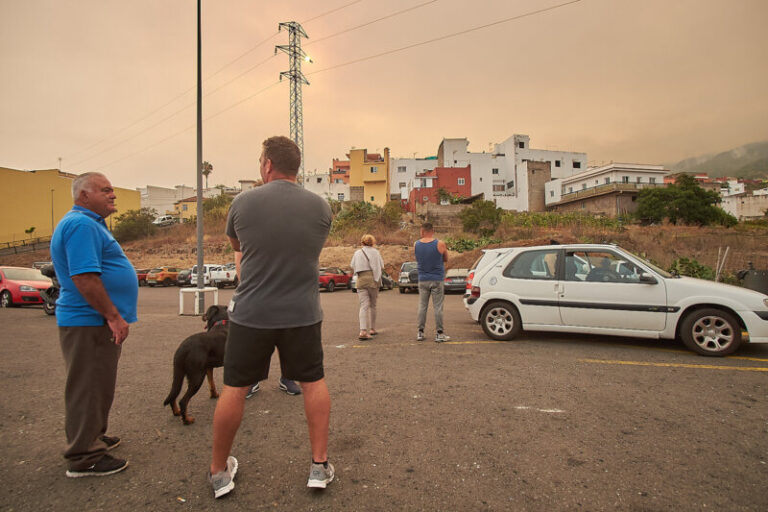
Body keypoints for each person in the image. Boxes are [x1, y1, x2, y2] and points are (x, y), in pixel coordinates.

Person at [208, 136, 334, 498]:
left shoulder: (242, 202)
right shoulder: (321, 207)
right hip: (302, 313)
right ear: (296, 166)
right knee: (313, 383)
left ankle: (219, 472)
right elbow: (308, 249)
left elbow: (238, 247)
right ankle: (319, 466)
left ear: (267, 165)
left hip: (251, 314)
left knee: (235, 388)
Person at [50, 172, 138, 478]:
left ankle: (93, 436)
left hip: (94, 320)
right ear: (84, 195)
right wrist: (113, 316)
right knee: (87, 387)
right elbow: (85, 277)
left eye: (113, 190)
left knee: (98, 384)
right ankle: (84, 455)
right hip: (89, 320)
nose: (113, 195)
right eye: (105, 190)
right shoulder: (81, 225)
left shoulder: (90, 224)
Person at [414, 222, 450, 342]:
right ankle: (439, 334)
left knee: (422, 306)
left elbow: (418, 258)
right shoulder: (440, 243)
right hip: (437, 279)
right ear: (432, 231)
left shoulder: (416, 244)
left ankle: (420, 332)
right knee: (438, 307)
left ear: (422, 231)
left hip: (423, 279)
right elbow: (446, 258)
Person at [350, 234, 385, 340]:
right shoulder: (376, 252)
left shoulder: (357, 253)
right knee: (373, 305)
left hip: (361, 279)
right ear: (373, 242)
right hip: (373, 279)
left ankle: (363, 331)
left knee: (363, 306)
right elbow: (382, 266)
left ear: (362, 242)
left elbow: (352, 265)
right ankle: (372, 329)